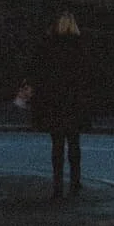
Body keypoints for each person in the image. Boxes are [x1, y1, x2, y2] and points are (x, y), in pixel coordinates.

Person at [20, 12, 91, 200]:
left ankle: (57, 185)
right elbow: (87, 75)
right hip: (74, 101)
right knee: (74, 143)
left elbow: (37, 72)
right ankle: (75, 182)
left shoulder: (48, 46)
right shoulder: (79, 46)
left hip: (54, 102)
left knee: (57, 144)